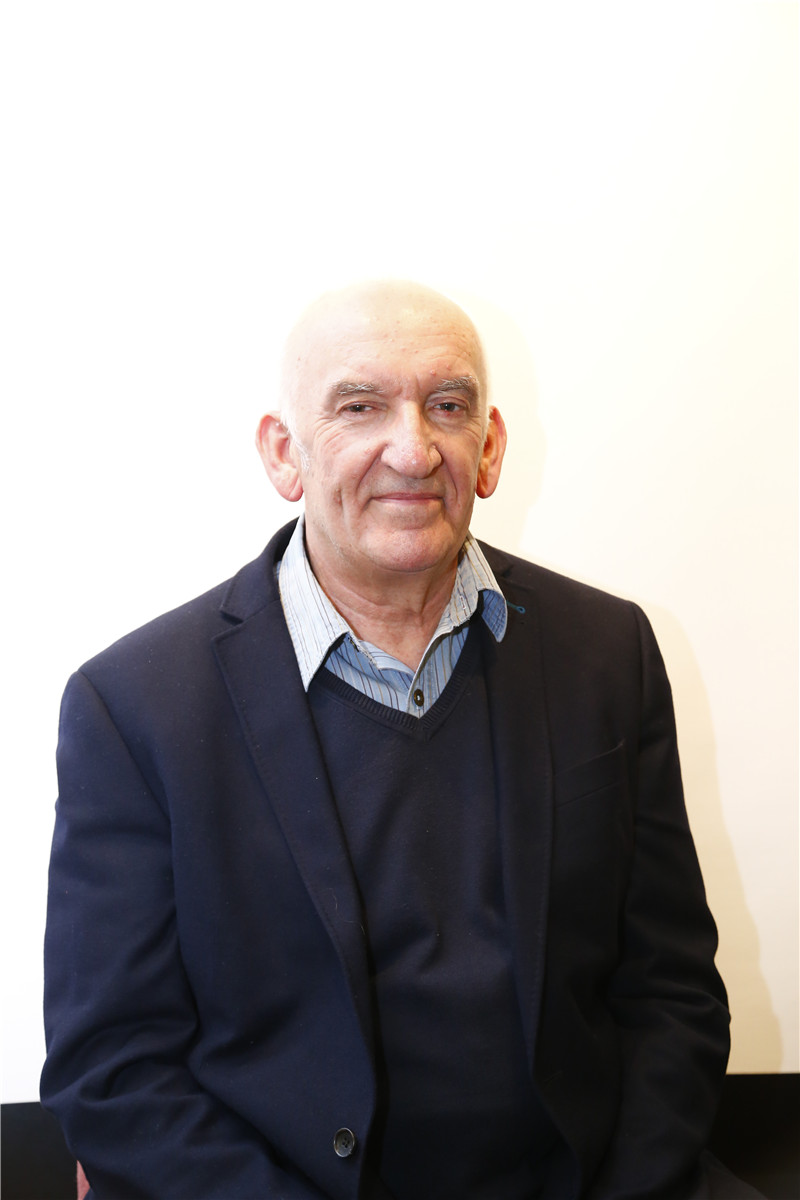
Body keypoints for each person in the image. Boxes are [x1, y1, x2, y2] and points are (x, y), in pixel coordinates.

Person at [41, 281, 755, 1199]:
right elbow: (113, 1069)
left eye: (447, 406)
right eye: (359, 407)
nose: (412, 449)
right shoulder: (134, 707)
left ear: (489, 448)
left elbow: (673, 992)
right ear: (284, 452)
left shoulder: (607, 653)